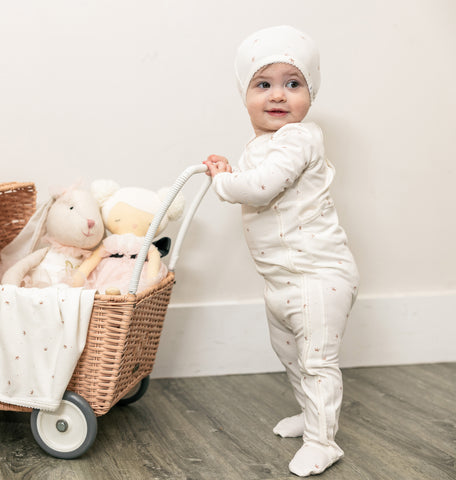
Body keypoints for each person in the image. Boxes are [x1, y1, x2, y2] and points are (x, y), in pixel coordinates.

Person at [203, 25, 359, 477]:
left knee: (315, 361)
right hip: (281, 280)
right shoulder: (261, 146)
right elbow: (255, 179)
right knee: (289, 353)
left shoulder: (300, 137)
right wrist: (228, 170)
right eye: (263, 84)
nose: (278, 96)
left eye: (293, 84)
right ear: (244, 93)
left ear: (310, 94)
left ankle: (322, 440)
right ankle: (312, 416)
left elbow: (261, 188)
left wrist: (222, 182)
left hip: (318, 274)